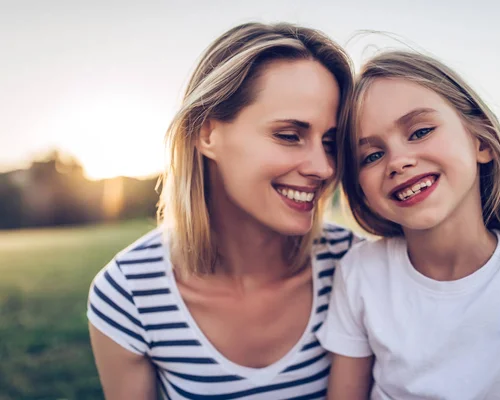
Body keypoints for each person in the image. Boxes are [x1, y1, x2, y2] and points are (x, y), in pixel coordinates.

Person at [87, 22, 361, 399]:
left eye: (329, 142)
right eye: (288, 135)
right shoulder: (128, 293)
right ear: (207, 133)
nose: (324, 167)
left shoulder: (356, 265)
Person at [317, 50, 500, 399]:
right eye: (371, 156)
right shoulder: (360, 273)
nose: (398, 161)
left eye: (420, 131)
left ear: (481, 141)